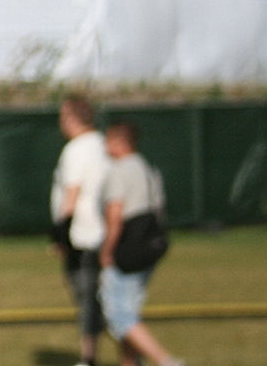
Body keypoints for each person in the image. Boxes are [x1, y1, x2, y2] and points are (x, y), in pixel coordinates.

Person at [99, 121, 184, 366]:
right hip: (150, 247)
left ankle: (165, 361)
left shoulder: (120, 170)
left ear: (119, 142)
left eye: (108, 140)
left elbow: (115, 215)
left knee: (120, 317)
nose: (106, 146)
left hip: (128, 249)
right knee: (130, 311)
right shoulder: (148, 169)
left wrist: (107, 250)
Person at [50, 96, 110, 366]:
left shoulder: (76, 149)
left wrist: (60, 234)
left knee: (89, 299)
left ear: (72, 118)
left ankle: (89, 358)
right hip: (105, 233)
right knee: (101, 299)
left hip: (82, 235)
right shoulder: (103, 145)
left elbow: (71, 194)